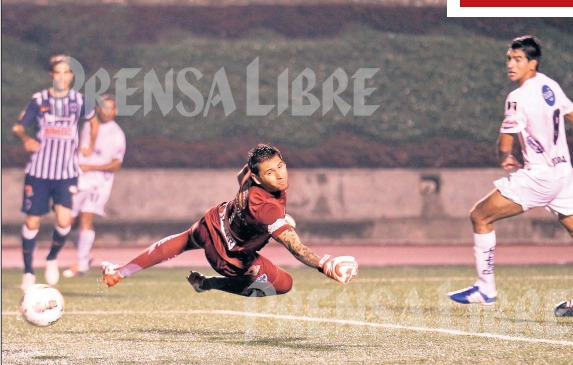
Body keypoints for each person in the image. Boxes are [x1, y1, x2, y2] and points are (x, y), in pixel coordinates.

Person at [448, 35, 573, 305]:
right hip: (563, 175)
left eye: (518, 59)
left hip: (540, 177)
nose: (510, 64)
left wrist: (504, 156)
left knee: (480, 216)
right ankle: (484, 288)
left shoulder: (517, 97)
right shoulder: (549, 85)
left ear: (533, 63)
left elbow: (506, 143)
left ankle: (486, 289)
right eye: (509, 58)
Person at [101, 144, 358, 297]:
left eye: (280, 165)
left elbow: (241, 176)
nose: (279, 175)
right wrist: (325, 264)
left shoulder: (249, 176)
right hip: (228, 256)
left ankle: (119, 273)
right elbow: (294, 246)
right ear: (257, 179)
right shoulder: (267, 209)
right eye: (270, 172)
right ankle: (208, 283)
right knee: (284, 285)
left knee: (182, 241)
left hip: (213, 220)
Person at [12, 55, 99, 291]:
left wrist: (89, 144)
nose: (62, 77)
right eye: (58, 72)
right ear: (52, 75)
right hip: (39, 172)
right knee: (32, 221)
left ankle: (52, 258)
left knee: (64, 221)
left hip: (66, 172)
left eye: (67, 73)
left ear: (72, 76)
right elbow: (19, 126)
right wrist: (26, 138)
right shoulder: (39, 100)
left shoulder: (80, 100)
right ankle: (28, 272)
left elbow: (93, 121)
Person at [63, 95, 126, 278]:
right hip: (79, 180)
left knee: (85, 219)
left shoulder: (117, 134)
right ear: (98, 108)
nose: (106, 111)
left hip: (99, 183)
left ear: (116, 111)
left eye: (110, 108)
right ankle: (86, 254)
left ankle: (81, 264)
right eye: (103, 107)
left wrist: (91, 167)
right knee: (65, 221)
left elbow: (116, 164)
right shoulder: (87, 125)